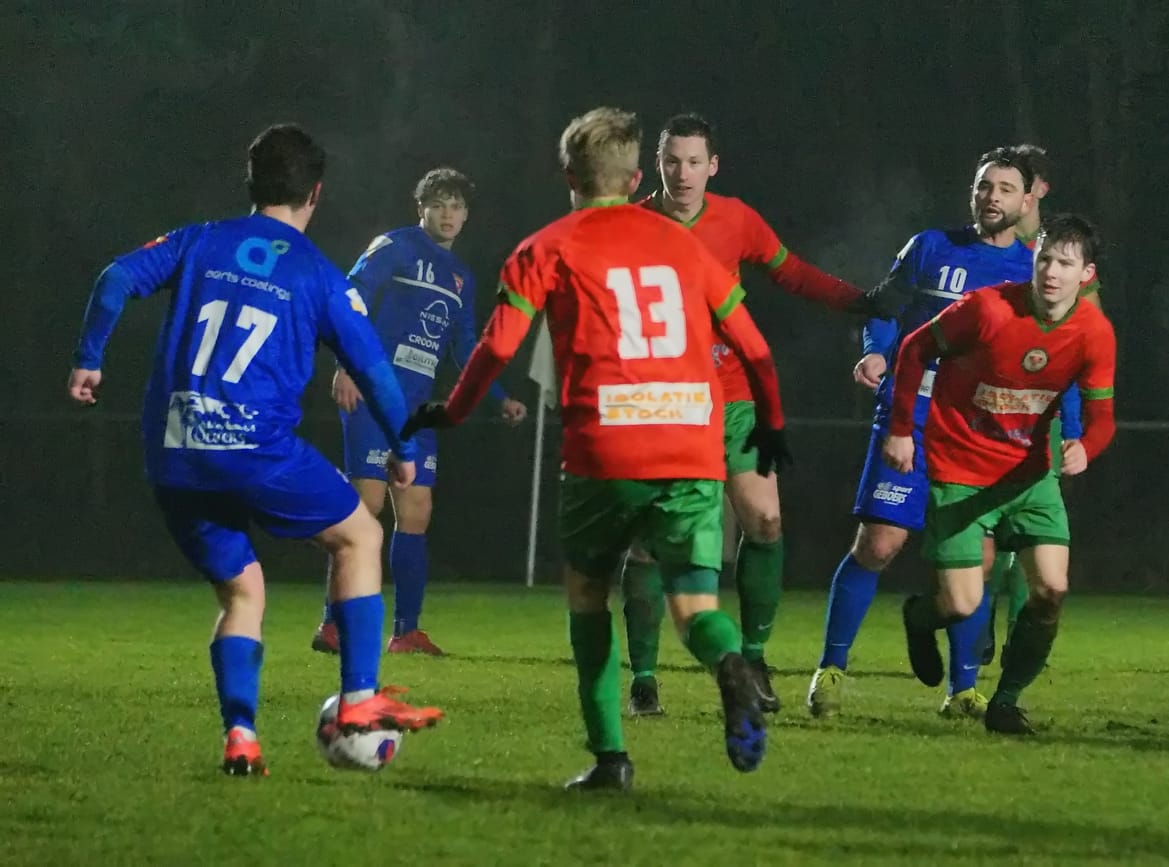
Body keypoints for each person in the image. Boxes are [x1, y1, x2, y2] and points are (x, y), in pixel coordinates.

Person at [405, 107, 791, 791]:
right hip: (691, 444)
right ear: (638, 176)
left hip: (604, 452)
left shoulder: (545, 246)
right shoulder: (684, 244)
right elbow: (756, 347)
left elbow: (498, 346)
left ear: (568, 176)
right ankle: (731, 666)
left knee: (588, 596)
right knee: (696, 607)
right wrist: (774, 424)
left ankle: (611, 757)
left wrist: (452, 410)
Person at [66, 124, 442, 776]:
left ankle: (241, 735)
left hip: (176, 450)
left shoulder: (200, 240)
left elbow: (114, 278)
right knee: (358, 536)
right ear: (315, 193)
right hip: (256, 448)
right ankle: (357, 698)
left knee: (243, 594)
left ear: (252, 182)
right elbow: (376, 371)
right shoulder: (319, 276)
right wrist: (402, 447)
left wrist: (89, 360)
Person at [622, 113, 868, 716]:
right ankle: (644, 678)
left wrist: (857, 300)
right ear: (657, 165)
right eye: (672, 161)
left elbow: (793, 273)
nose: (683, 172)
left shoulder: (736, 219)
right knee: (655, 544)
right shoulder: (634, 223)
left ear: (714, 166)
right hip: (664, 405)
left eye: (694, 161)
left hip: (733, 399)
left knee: (764, 522)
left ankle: (755, 658)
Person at [807, 147, 1037, 720]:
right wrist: (875, 353)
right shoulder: (931, 247)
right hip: (911, 420)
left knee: (975, 563)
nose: (991, 197)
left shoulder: (1033, 269)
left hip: (977, 437)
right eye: (985, 186)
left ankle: (961, 690)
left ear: (1026, 200)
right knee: (879, 543)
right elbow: (885, 307)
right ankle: (830, 668)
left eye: (1005, 189)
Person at [886, 214, 1116, 734]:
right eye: (1045, 259)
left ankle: (1005, 702)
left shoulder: (1094, 333)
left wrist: (1086, 447)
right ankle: (921, 618)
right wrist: (901, 428)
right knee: (962, 603)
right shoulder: (987, 308)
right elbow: (914, 348)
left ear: (1086, 274)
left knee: (1051, 590)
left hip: (1030, 478)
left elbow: (1103, 419)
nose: (1051, 271)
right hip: (961, 468)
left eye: (1065, 263)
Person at [310, 168, 526, 657]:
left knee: (417, 512)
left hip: (417, 411)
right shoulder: (395, 246)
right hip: (372, 393)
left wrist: (500, 396)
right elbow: (351, 296)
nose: (448, 214)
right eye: (439, 204)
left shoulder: (460, 277)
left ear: (466, 215)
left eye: (456, 206)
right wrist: (346, 364)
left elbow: (467, 346)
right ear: (421, 209)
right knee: (365, 510)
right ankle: (333, 624)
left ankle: (406, 632)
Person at [982, 143, 1104, 668]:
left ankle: (1015, 641)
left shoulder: (1061, 258)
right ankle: (976, 625)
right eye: (994, 186)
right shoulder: (992, 252)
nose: (1005, 196)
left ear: (1037, 192)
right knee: (985, 536)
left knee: (1027, 542)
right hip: (985, 415)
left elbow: (1080, 352)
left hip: (1043, 417)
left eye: (1017, 187)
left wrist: (1077, 431)